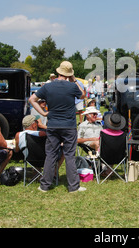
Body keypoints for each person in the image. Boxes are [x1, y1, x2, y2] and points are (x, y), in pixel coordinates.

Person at [29, 60, 86, 193]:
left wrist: (43, 112)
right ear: (69, 74)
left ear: (58, 72)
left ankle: (44, 186)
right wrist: (74, 80)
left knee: (51, 155)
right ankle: (73, 187)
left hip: (53, 124)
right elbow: (83, 95)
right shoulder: (72, 87)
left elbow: (32, 99)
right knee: (69, 155)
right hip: (69, 125)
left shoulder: (48, 86)